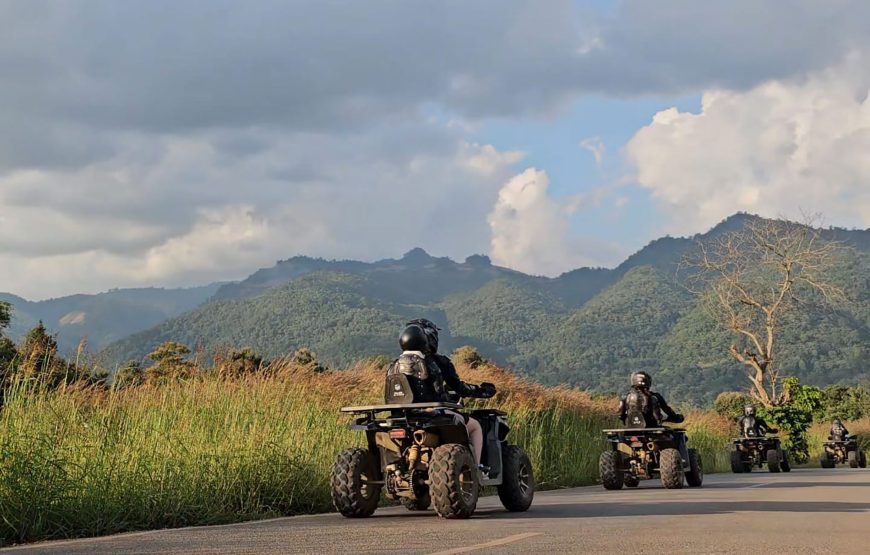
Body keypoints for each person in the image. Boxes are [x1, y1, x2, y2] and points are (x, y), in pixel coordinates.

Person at [385, 318, 496, 472]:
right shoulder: (437, 362)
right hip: (432, 414)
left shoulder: (394, 365)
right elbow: (460, 388)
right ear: (428, 338)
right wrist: (483, 390)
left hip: (400, 417)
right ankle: (476, 468)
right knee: (475, 426)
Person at [618, 371, 683, 428]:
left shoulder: (625, 397)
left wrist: (625, 420)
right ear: (648, 382)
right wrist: (675, 418)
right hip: (652, 427)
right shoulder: (655, 397)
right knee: (677, 435)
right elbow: (667, 410)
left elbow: (620, 414)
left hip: (631, 428)